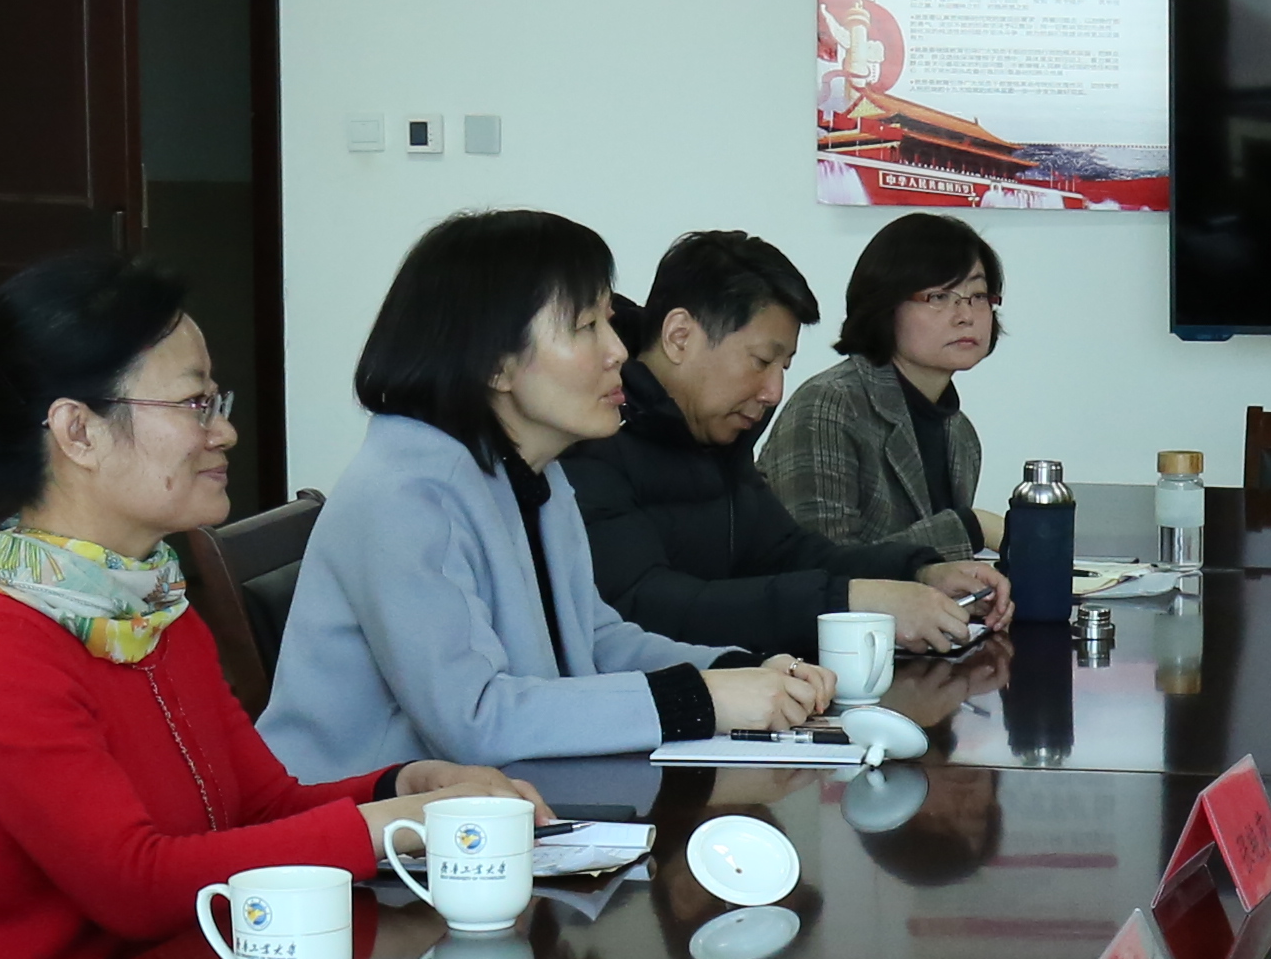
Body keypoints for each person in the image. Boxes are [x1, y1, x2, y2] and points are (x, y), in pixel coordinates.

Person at [0, 251, 523, 959]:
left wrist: (402, 784)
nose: (223, 429)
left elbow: (259, 807)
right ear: (79, 431)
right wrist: (395, 827)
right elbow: (135, 884)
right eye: (196, 401)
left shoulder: (146, 600)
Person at [262, 211, 840, 776]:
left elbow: (593, 642)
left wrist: (739, 670)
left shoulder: (531, 471)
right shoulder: (406, 494)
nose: (617, 350)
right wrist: (701, 700)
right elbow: (475, 721)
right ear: (495, 362)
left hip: (498, 808)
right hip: (363, 837)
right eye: (586, 327)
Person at [568, 231, 1005, 659]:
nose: (774, 392)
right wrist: (853, 600)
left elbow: (792, 554)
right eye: (761, 361)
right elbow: (645, 605)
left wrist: (919, 573)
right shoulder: (595, 437)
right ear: (680, 336)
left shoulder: (716, 436)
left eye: (784, 366)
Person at [758, 212, 1003, 579]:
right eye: (940, 295)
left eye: (978, 295)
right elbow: (823, 572)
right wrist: (970, 526)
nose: (966, 315)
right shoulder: (830, 405)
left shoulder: (960, 435)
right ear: (885, 305)